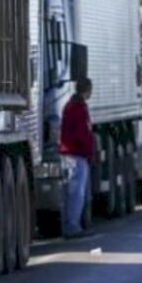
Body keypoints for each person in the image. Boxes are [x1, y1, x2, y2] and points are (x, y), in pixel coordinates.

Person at [60, 77, 95, 238]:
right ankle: (72, 226)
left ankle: (70, 224)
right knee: (76, 192)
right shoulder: (78, 107)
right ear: (86, 90)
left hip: (70, 153)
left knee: (71, 192)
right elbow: (82, 133)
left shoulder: (70, 105)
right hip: (77, 154)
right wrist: (89, 148)